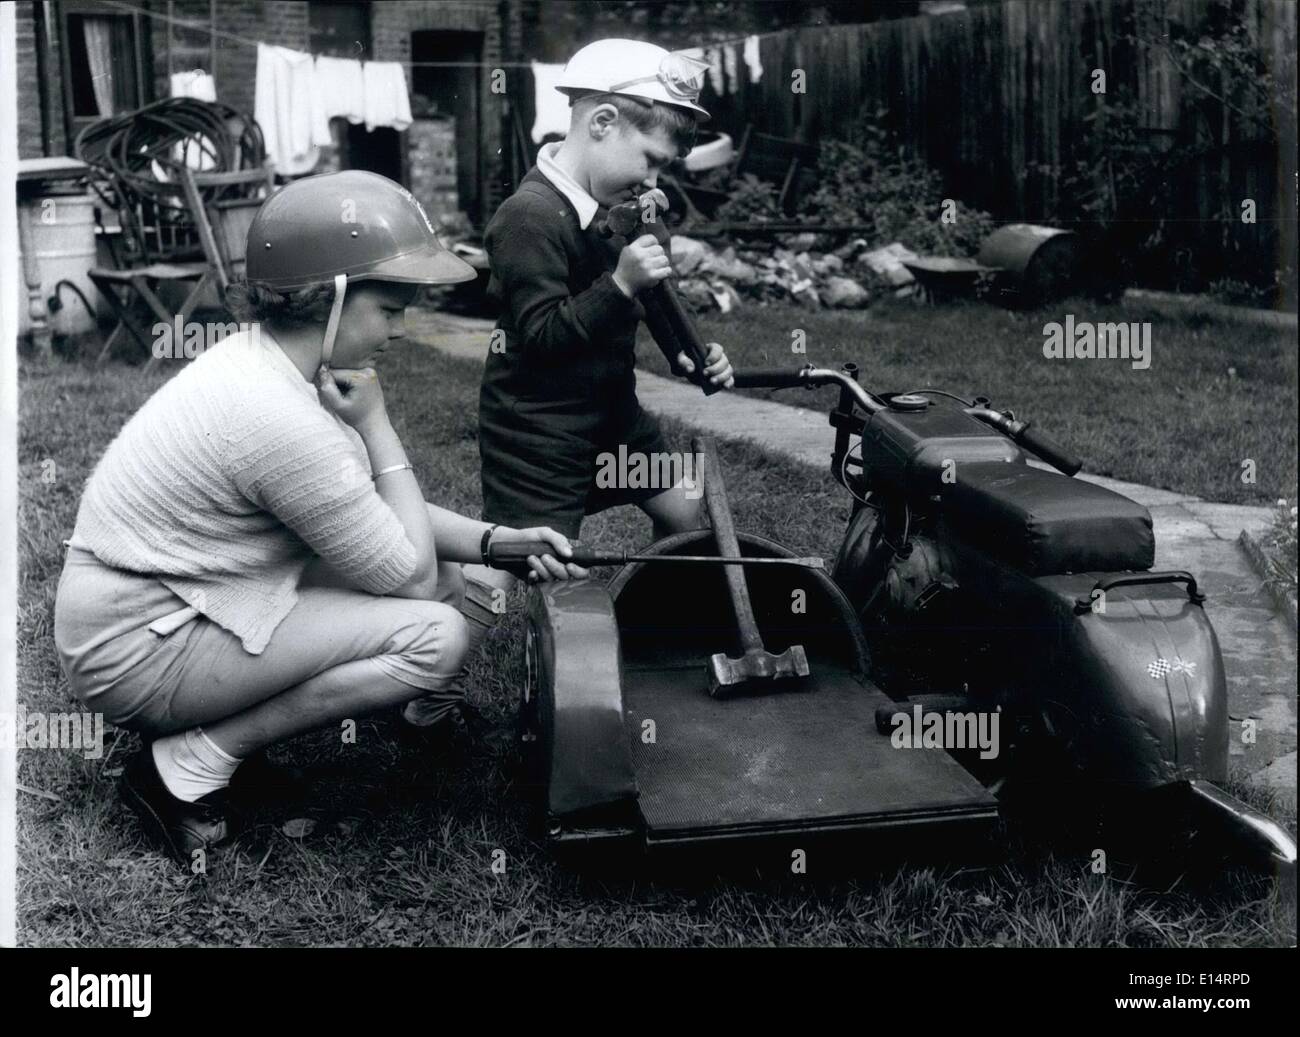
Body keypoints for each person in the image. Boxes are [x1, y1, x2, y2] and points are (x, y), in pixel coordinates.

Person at [52, 170, 586, 867]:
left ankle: (215, 731)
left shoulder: (270, 365)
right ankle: (187, 765)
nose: (398, 331)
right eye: (390, 309)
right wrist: (379, 423)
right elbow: (411, 574)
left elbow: (365, 512)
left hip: (166, 600)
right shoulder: (276, 412)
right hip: (133, 647)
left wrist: (494, 542)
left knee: (457, 566)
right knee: (435, 635)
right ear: (333, 295)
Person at [401, 39, 736, 730]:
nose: (652, 184)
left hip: (613, 415)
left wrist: (691, 357)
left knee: (685, 508)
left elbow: (657, 298)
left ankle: (672, 642)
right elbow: (544, 335)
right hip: (539, 430)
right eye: (649, 162)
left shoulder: (632, 205)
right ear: (603, 122)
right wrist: (618, 284)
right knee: (518, 568)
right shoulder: (527, 218)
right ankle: (430, 682)